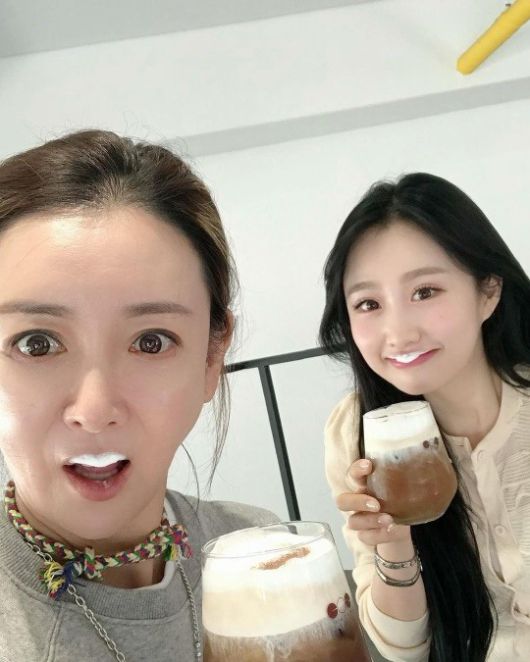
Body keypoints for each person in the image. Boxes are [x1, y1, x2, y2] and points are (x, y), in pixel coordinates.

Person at [0, 130, 277, 662]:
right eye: (37, 343)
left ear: (212, 357)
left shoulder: (259, 553)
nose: (95, 411)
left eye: (151, 341)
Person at [319, 173, 530, 662]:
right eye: (368, 304)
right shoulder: (354, 434)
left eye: (425, 291)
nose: (398, 333)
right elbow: (404, 650)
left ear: (488, 291)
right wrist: (393, 542)